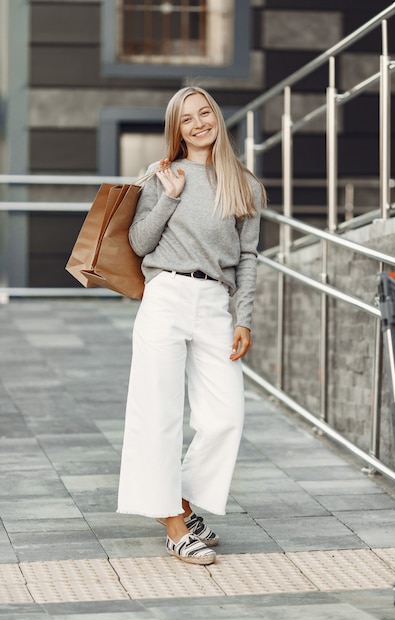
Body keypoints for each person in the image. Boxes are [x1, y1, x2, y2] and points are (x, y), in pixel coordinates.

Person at [117, 86, 267, 566]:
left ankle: (178, 498)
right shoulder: (162, 175)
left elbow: (248, 256)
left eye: (205, 113)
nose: (199, 123)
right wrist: (169, 197)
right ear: (176, 130)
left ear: (217, 118)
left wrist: (244, 317)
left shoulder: (245, 184)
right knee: (157, 413)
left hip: (215, 304)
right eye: (187, 119)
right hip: (166, 296)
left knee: (225, 418)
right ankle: (175, 526)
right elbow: (140, 244)